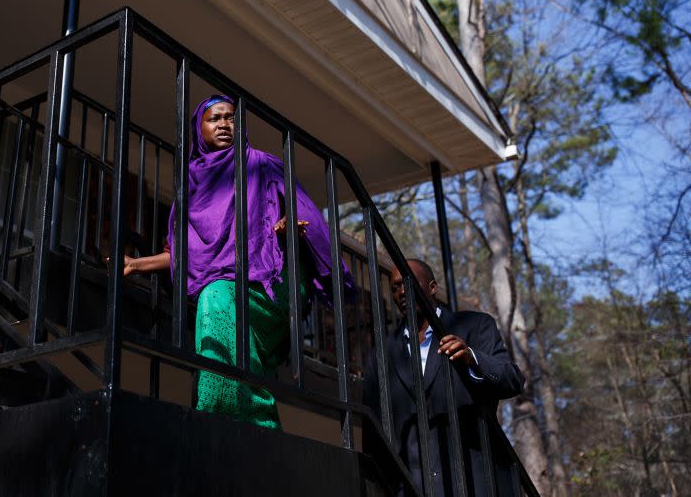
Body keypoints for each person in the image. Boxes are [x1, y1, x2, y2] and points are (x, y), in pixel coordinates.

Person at [119, 94, 350, 430]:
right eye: (215, 118)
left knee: (216, 297)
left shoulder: (262, 165)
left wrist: (287, 228)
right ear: (200, 129)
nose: (225, 124)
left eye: (231, 118)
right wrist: (135, 265)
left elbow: (309, 219)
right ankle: (257, 424)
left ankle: (213, 412)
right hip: (224, 285)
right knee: (218, 301)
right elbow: (180, 255)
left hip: (269, 283)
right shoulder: (190, 184)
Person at [362, 259, 524, 496]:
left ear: (432, 287)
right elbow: (372, 423)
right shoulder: (382, 352)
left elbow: (512, 379)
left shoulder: (474, 326)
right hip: (414, 485)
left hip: (476, 480)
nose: (401, 291)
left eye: (409, 283)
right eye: (395, 287)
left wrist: (472, 358)